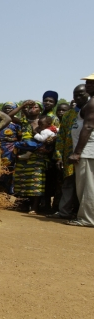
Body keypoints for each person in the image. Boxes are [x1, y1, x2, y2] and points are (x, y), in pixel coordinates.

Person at [49, 85, 89, 219]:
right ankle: (64, 212)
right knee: (69, 184)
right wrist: (59, 157)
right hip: (69, 155)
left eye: (81, 94)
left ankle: (83, 214)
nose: (78, 97)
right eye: (75, 94)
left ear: (88, 93)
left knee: (87, 186)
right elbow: (61, 137)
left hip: (88, 154)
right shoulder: (68, 115)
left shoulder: (90, 111)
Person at [12, 100, 52, 214]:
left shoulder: (44, 122)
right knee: (22, 180)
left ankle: (35, 207)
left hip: (38, 155)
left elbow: (53, 135)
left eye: (35, 107)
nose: (32, 109)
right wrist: (21, 106)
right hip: (23, 153)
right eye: (30, 107)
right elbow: (8, 117)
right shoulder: (24, 121)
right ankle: (23, 204)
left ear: (40, 109)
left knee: (36, 182)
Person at [66, 73, 94, 227]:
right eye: (88, 83)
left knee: (87, 186)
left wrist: (77, 152)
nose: (88, 86)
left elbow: (88, 126)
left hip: (88, 150)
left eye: (91, 84)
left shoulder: (92, 103)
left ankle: (87, 219)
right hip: (89, 149)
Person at [0, 102, 23, 195]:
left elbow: (20, 137)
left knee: (7, 171)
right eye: (6, 108)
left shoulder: (16, 124)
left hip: (9, 150)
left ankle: (6, 194)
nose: (7, 110)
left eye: (10, 108)